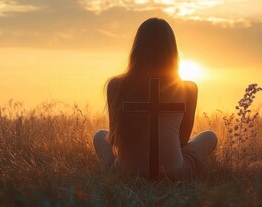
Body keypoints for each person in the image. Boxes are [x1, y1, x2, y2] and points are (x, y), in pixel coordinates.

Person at [93, 18, 217, 181]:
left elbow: (115, 137)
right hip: (172, 173)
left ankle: (114, 170)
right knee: (209, 136)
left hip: (128, 172)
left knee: (100, 136)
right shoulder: (188, 88)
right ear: (172, 49)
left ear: (137, 48)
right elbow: (183, 140)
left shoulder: (116, 85)